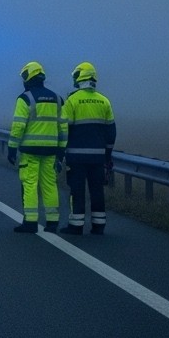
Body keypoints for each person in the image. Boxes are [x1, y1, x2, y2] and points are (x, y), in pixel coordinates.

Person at [8, 62, 68, 233]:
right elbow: (63, 128)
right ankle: (52, 222)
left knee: (30, 184)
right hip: (51, 151)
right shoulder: (58, 99)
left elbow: (18, 126)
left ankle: (31, 222)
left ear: (28, 77)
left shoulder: (25, 98)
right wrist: (61, 151)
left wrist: (12, 149)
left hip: (30, 150)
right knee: (50, 185)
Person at [60, 62, 116, 235]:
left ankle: (76, 226)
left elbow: (64, 128)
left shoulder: (72, 100)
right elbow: (111, 132)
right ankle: (99, 226)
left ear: (79, 77)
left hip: (76, 157)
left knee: (77, 191)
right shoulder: (104, 100)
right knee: (97, 190)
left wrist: (61, 151)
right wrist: (107, 155)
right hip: (98, 158)